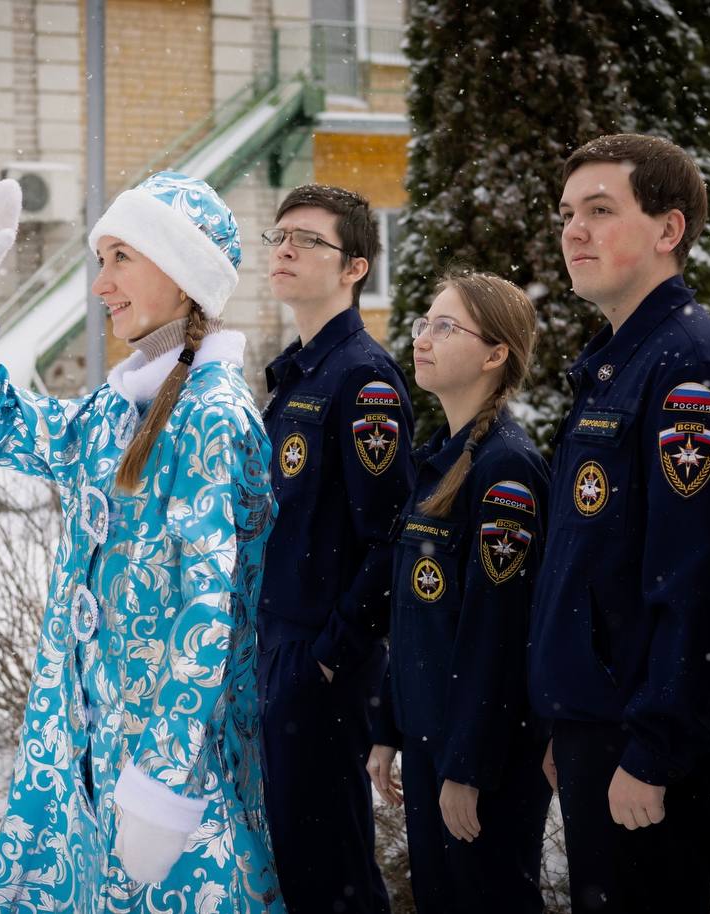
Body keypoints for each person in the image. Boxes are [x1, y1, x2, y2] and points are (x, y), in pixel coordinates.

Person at [0, 172, 285, 912]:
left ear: (181, 272)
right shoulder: (115, 410)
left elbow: (209, 614)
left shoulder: (212, 417)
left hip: (169, 781)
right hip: (84, 754)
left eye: (120, 258)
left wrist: (162, 786)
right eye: (100, 259)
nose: (100, 283)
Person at [528, 134, 710, 913]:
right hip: (606, 723)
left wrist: (654, 748)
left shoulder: (686, 366)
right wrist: (570, 717)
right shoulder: (620, 362)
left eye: (601, 210)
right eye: (568, 213)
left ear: (668, 229)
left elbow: (698, 577)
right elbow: (592, 559)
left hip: (651, 739)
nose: (575, 230)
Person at [367, 271, 552, 913]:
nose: (422, 338)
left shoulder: (506, 471)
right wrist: (389, 726)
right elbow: (415, 615)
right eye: (425, 323)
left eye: (445, 327)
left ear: (496, 353)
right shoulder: (441, 459)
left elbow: (497, 632)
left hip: (480, 757)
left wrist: (467, 766)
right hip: (431, 743)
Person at [256, 184, 412, 914]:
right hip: (278, 644)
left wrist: (329, 655)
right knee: (294, 860)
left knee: (330, 871)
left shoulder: (362, 379)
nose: (285, 249)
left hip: (318, 661)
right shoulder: (299, 371)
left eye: (308, 240)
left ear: (354, 268)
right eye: (279, 235)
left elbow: (390, 538)